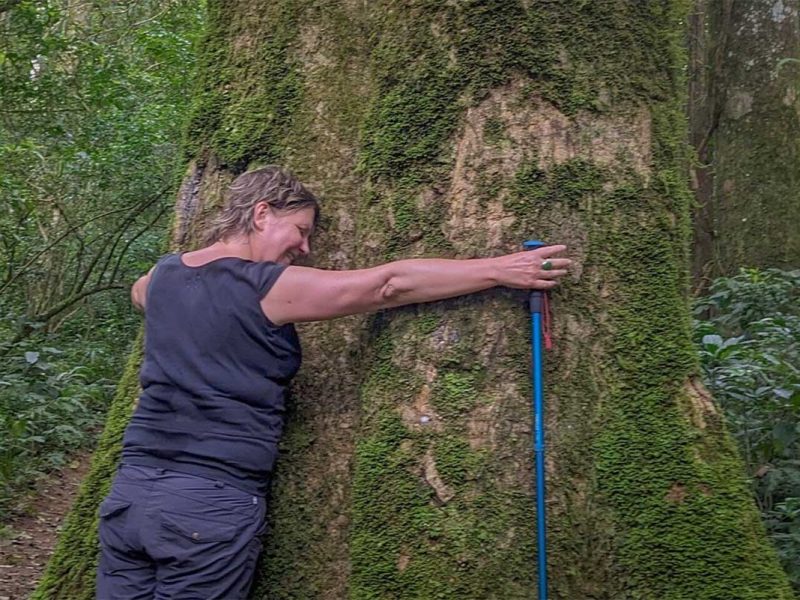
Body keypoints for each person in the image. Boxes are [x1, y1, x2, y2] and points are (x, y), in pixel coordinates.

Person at [96, 166, 571, 599]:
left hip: (132, 494)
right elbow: (387, 285)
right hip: (208, 502)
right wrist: (499, 269)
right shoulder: (264, 287)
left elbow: (140, 292)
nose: (304, 248)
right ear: (262, 213)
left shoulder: (162, 276)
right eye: (300, 231)